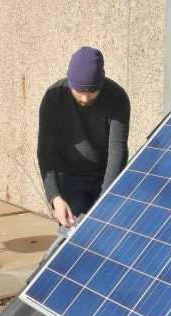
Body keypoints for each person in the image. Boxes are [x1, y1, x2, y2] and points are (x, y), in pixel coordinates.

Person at [38, 47, 130, 227]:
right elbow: (46, 152)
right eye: (79, 92)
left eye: (92, 92)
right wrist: (55, 197)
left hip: (105, 174)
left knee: (105, 230)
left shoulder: (117, 97)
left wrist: (106, 200)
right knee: (73, 237)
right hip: (69, 177)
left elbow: (117, 151)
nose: (85, 98)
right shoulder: (53, 97)